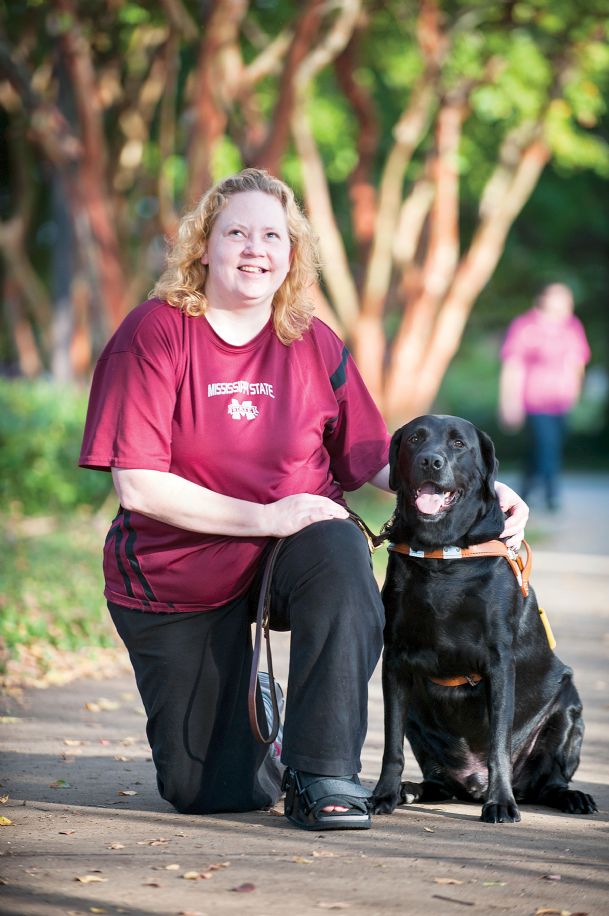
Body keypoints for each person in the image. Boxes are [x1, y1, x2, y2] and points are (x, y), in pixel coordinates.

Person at [79, 168, 528, 831]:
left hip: (295, 550)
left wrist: (485, 491)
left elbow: (373, 457)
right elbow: (139, 486)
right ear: (203, 246)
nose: (253, 248)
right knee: (210, 791)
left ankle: (324, 774)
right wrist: (263, 516)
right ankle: (261, 728)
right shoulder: (155, 333)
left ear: (291, 254)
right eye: (235, 232)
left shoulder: (312, 340)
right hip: (179, 575)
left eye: (271, 235)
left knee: (340, 550)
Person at [499, 283, 590, 512]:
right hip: (535, 400)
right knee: (547, 447)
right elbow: (513, 366)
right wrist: (510, 402)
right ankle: (552, 498)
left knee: (538, 450)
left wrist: (576, 391)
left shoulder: (572, 326)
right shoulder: (525, 326)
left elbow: (577, 362)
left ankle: (523, 494)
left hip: (562, 401)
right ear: (545, 299)